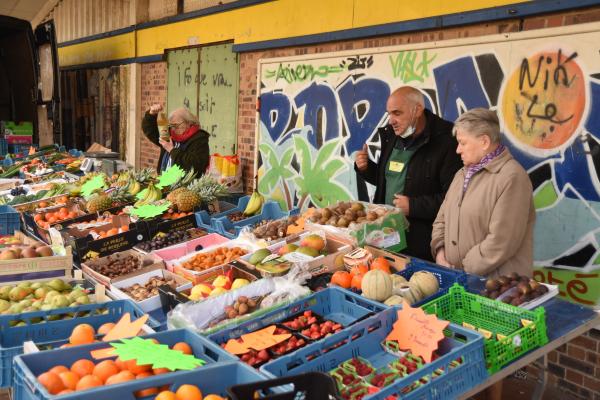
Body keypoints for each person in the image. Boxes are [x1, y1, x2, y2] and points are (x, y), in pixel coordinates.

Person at [354, 86, 462, 261]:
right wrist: (366, 169)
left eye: (397, 113)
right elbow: (389, 180)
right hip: (385, 236)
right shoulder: (392, 136)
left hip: (422, 242)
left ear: (417, 109)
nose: (391, 121)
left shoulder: (446, 141)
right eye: (389, 114)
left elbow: (454, 199)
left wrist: (414, 205)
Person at [431, 108, 535, 278]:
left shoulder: (512, 177)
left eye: (462, 143)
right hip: (460, 281)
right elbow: (441, 220)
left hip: (496, 289)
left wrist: (462, 270)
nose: (457, 150)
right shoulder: (461, 174)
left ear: (484, 142)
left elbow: (501, 241)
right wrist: (440, 252)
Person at [142, 104, 210, 173]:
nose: (173, 129)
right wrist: (151, 114)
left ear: (189, 123)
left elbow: (195, 166)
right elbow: (151, 131)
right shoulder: (170, 134)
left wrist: (172, 150)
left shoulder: (199, 139)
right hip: (163, 181)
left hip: (183, 183)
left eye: (176, 125)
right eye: (171, 125)